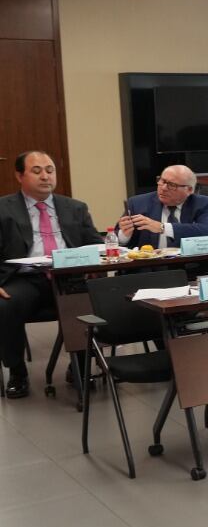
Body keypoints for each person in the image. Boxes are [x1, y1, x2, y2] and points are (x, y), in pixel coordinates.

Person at [0, 151, 99, 400]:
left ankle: (79, 366)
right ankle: (17, 371)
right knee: (5, 304)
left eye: (50, 170)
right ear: (19, 175)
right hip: (24, 278)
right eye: (37, 171)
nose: (45, 176)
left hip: (68, 278)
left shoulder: (75, 207)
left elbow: (95, 244)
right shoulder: (3, 208)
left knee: (92, 300)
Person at [118, 165, 208, 250]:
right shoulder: (137, 203)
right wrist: (125, 235)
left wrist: (163, 228)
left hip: (190, 267)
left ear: (189, 190)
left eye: (172, 185)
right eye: (162, 181)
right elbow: (118, 240)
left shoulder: (204, 203)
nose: (164, 188)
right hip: (149, 268)